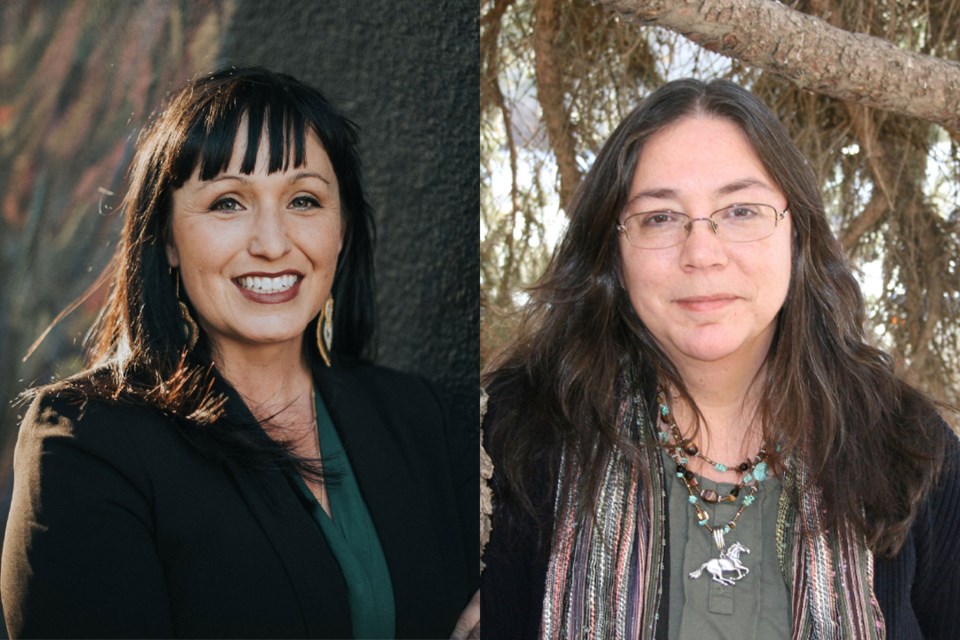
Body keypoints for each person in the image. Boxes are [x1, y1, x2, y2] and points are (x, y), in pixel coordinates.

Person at [1, 67, 477, 639]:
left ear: (342, 229)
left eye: (304, 200)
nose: (273, 243)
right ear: (169, 240)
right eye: (228, 203)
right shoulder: (86, 439)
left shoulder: (423, 419)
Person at [480, 78, 960, 639]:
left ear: (797, 233)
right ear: (612, 251)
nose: (701, 253)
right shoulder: (517, 435)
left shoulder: (907, 447)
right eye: (660, 217)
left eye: (740, 211)